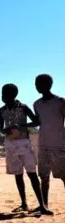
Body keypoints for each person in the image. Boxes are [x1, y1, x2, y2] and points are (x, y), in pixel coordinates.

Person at [0, 83, 52, 215]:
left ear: (13, 95)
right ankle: (24, 203)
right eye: (2, 94)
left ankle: (42, 205)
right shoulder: (1, 110)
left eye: (6, 94)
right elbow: (1, 128)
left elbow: (36, 121)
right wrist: (7, 130)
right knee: (18, 174)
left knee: (32, 174)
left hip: (24, 143)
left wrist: (21, 126)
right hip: (10, 144)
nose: (3, 97)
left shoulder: (23, 107)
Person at [34, 74, 65, 207]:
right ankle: (44, 204)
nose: (37, 86)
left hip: (59, 146)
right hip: (43, 145)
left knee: (64, 176)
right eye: (36, 84)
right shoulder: (37, 104)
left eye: (40, 83)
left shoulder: (60, 101)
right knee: (44, 177)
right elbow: (38, 122)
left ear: (49, 84)